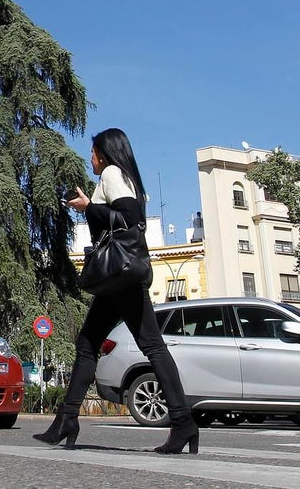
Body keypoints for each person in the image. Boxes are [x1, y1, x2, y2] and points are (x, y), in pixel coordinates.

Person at [33, 128, 199, 455]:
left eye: (93, 152)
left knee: (150, 346)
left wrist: (86, 208)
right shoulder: (125, 177)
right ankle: (67, 419)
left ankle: (182, 422)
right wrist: (90, 204)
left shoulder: (112, 174)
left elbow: (130, 219)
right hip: (120, 278)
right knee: (90, 342)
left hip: (121, 276)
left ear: (105, 154)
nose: (90, 158)